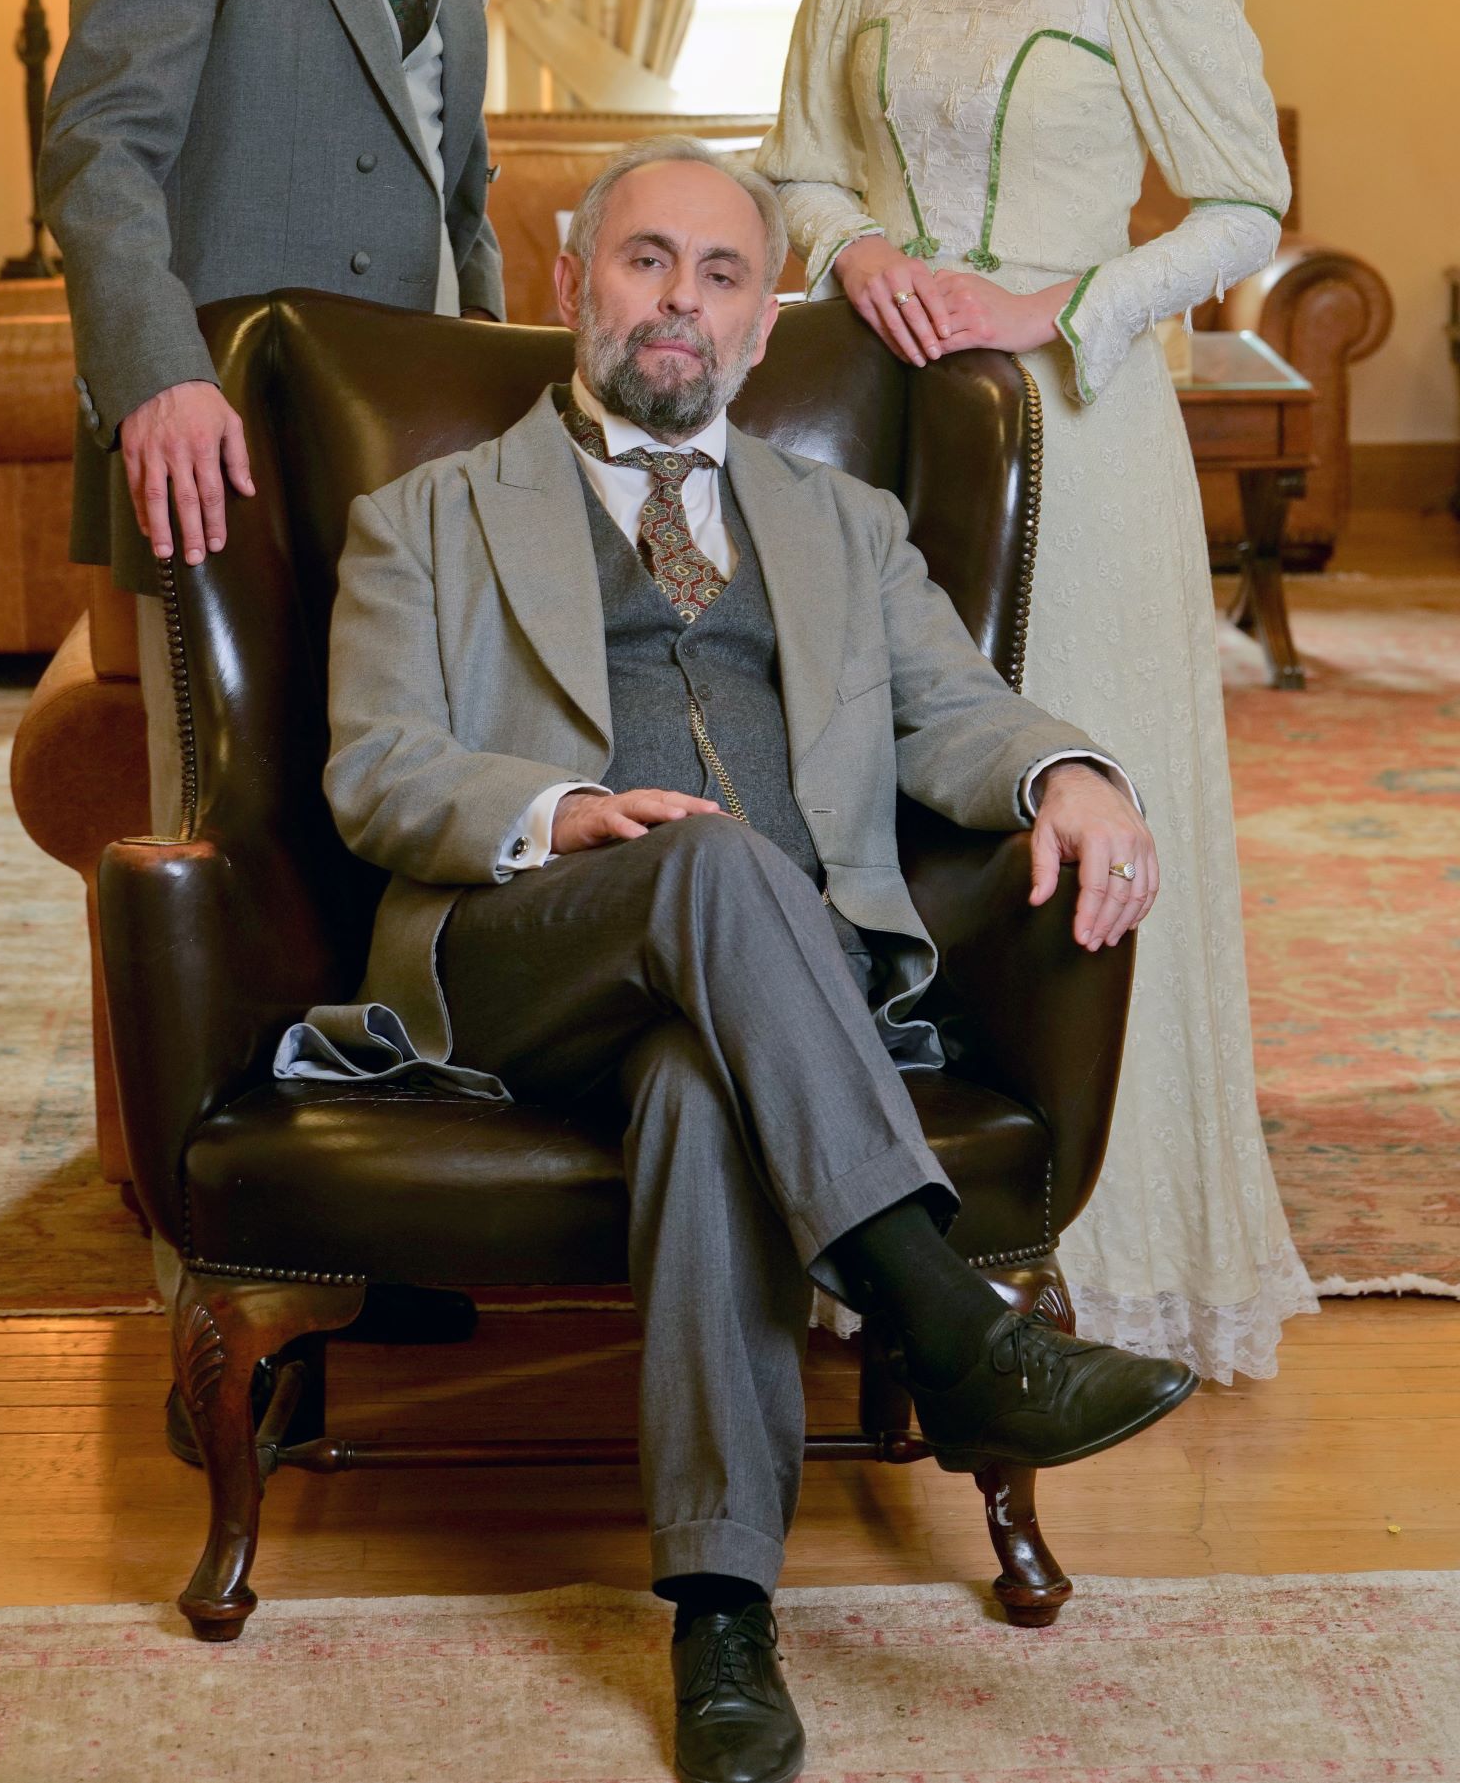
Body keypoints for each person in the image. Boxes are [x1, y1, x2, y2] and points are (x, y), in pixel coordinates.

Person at [296, 143, 1198, 1783]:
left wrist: (1066, 770)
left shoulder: (846, 521)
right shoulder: (424, 514)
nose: (680, 301)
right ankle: (943, 1315)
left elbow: (957, 710)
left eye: (722, 274)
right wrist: (559, 812)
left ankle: (722, 1617)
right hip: (524, 960)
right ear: (572, 279)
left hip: (772, 1005)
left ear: (764, 324)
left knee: (702, 1088)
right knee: (711, 855)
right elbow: (375, 767)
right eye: (645, 259)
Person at [751, 0, 1315, 1384]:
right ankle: (882, 1235)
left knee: (1070, 797)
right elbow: (798, 166)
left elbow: (1243, 202)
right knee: (875, 793)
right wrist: (858, 257)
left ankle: (1097, 1241)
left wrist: (1051, 305)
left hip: (1078, 437)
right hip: (879, 429)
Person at [41, 0, 504, 831]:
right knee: (228, 830)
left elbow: (459, 188)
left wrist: (499, 388)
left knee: (419, 817)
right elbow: (98, 153)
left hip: (419, 444)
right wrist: (158, 375)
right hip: (225, 435)